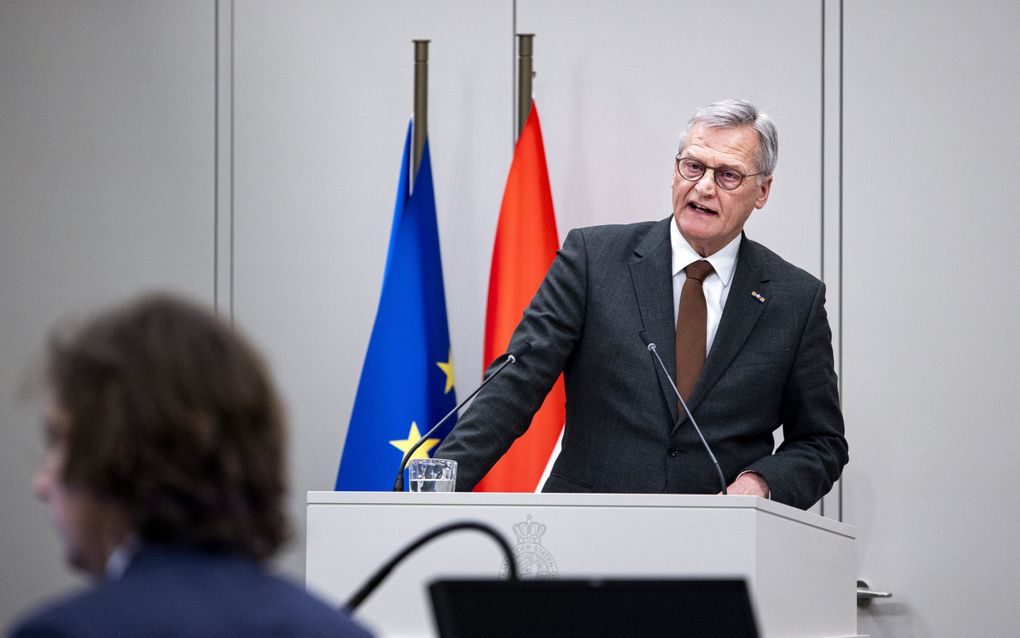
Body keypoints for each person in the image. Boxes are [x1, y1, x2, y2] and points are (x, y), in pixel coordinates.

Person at [436, 99, 848, 509]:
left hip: (716, 540)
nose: (704, 186)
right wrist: (431, 493)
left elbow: (820, 442)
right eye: (694, 166)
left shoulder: (795, 299)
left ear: (762, 191)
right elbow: (514, 384)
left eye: (727, 176)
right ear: (674, 171)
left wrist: (760, 483)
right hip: (588, 528)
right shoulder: (593, 259)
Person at [10, 294, 372, 638]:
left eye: (59, 443)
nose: (42, 483)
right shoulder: (345, 633)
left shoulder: (66, 632)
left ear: (114, 454)